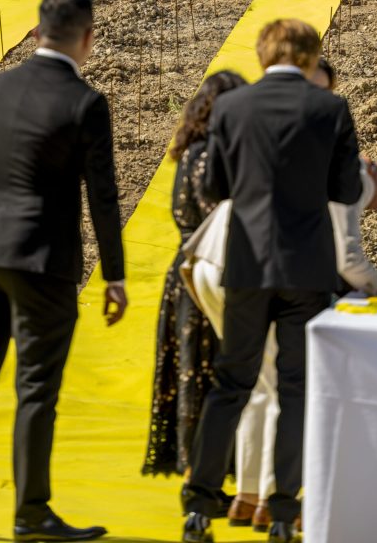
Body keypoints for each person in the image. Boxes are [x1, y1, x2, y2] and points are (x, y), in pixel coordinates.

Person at [0, 0, 127, 542]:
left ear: (37, 33)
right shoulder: (86, 103)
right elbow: (103, 197)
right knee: (37, 385)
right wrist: (115, 274)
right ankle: (31, 511)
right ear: (86, 39)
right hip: (43, 259)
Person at [181, 18, 363, 543]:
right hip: (305, 264)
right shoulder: (331, 109)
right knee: (295, 389)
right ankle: (284, 510)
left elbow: (215, 184)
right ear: (310, 58)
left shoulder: (233, 107)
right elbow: (348, 190)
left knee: (231, 382)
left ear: (263, 55)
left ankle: (199, 506)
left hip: (245, 261)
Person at [186, 149, 377, 532]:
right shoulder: (356, 177)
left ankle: (249, 498)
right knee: (275, 385)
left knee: (256, 384)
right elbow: (347, 259)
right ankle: (270, 499)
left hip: (210, 259)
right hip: (243, 267)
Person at [142, 71, 246, 483]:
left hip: (184, 270)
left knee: (192, 369)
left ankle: (198, 468)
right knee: (209, 370)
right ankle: (205, 473)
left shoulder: (190, 151)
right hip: (208, 271)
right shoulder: (212, 156)